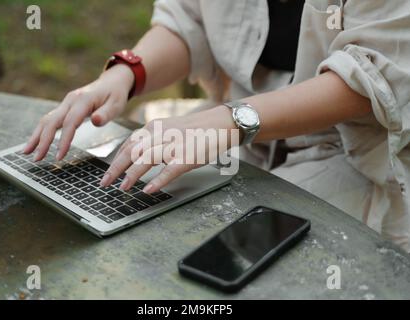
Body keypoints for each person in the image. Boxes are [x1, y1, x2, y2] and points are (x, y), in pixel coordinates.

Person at [23, 0, 410, 252]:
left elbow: (368, 79)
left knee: (218, 265)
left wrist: (226, 121)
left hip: (358, 159)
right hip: (230, 135)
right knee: (129, 229)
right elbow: (188, 21)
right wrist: (126, 73)